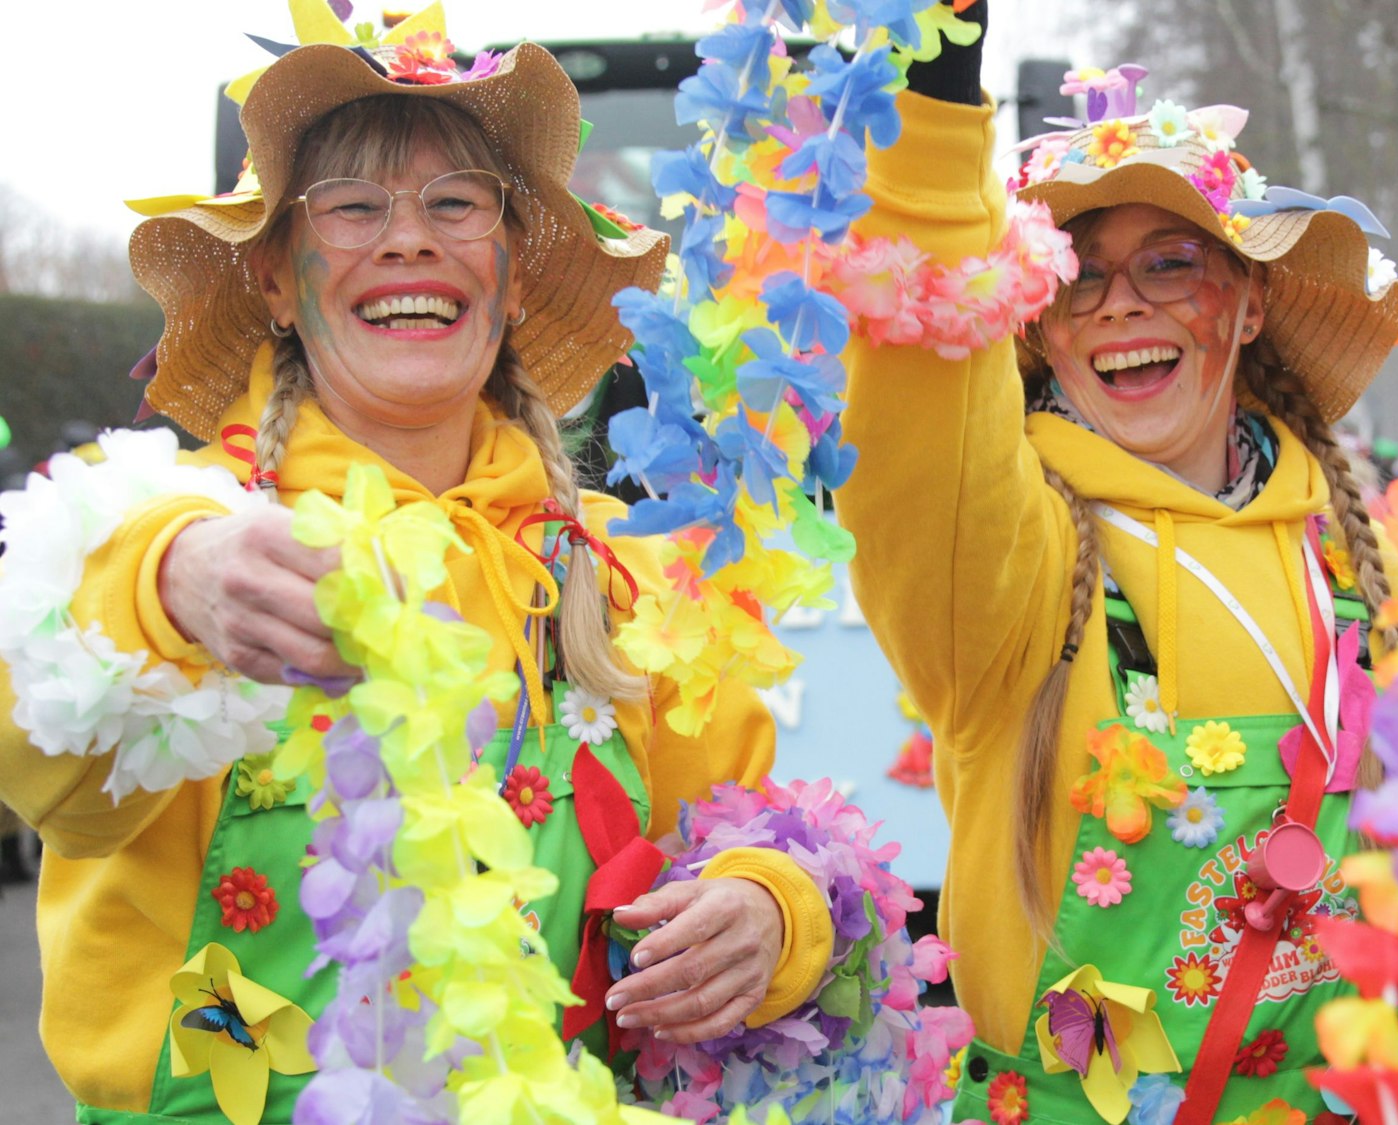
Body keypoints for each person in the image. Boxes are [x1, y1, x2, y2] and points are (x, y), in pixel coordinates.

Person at [0, 30, 836, 1123]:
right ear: (274, 280)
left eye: (456, 207)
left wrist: (770, 911)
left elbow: (752, 831)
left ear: (515, 275)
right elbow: (37, 761)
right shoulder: (167, 524)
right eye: (352, 207)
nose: (408, 242)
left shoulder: (630, 568)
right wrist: (168, 593)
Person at [838, 6, 1398, 1120]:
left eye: (1171, 262)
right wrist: (934, 96)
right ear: (1034, 328)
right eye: (1076, 277)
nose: (1122, 306)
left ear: (1247, 304)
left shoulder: (1362, 557)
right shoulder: (1012, 562)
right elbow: (915, 430)